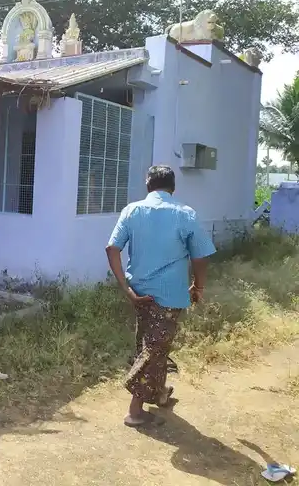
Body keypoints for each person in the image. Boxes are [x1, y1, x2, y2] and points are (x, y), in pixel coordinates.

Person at [106, 165, 216, 428]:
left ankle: (160, 393)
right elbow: (200, 256)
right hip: (168, 296)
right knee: (154, 348)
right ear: (173, 187)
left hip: (140, 292)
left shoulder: (132, 211)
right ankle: (135, 411)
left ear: (148, 185)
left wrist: (126, 288)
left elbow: (112, 249)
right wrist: (198, 287)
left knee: (151, 344)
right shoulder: (185, 214)